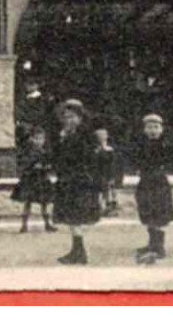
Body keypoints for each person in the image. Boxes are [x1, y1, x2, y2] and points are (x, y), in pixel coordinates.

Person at [51, 99, 103, 265]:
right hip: (67, 180)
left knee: (75, 216)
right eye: (66, 117)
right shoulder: (65, 135)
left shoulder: (86, 136)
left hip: (80, 181)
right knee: (71, 218)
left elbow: (88, 158)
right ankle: (77, 251)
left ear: (80, 118)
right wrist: (61, 140)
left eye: (72, 117)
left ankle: (79, 252)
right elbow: (56, 157)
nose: (69, 120)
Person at [133, 113, 173, 264]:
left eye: (156, 127)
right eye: (149, 127)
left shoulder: (164, 145)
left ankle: (159, 247)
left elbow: (170, 160)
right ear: (144, 130)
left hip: (159, 183)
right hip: (145, 183)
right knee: (148, 211)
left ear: (162, 129)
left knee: (159, 212)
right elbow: (137, 160)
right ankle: (152, 243)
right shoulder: (141, 145)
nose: (153, 130)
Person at [10, 125, 56, 233]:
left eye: (42, 139)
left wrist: (48, 167)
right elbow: (23, 163)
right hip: (31, 179)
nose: (40, 141)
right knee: (28, 202)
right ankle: (24, 224)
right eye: (37, 138)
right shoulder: (28, 151)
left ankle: (47, 223)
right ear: (32, 138)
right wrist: (32, 166)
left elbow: (50, 161)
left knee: (44, 202)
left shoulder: (44, 151)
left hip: (42, 178)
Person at [95, 127, 121, 215]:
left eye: (103, 135)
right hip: (99, 172)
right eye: (99, 136)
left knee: (109, 190)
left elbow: (113, 163)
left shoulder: (109, 150)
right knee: (101, 191)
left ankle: (110, 207)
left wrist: (112, 175)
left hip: (108, 172)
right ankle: (101, 207)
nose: (101, 137)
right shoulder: (96, 150)